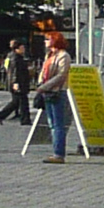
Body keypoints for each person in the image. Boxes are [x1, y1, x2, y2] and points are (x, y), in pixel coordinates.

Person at [32, 33, 73, 163]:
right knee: (51, 123)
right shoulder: (49, 55)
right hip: (47, 92)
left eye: (48, 39)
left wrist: (45, 86)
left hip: (57, 92)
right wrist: (40, 84)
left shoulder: (64, 56)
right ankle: (56, 152)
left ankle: (58, 154)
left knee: (57, 124)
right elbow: (43, 72)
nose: (45, 42)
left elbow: (61, 75)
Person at [0, 39, 33, 125]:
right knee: (23, 101)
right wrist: (15, 82)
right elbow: (15, 71)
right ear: (17, 48)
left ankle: (1, 115)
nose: (23, 49)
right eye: (22, 47)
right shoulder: (15, 58)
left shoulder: (16, 57)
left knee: (16, 102)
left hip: (20, 82)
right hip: (19, 83)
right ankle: (25, 119)